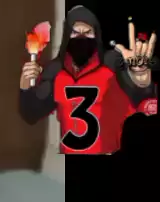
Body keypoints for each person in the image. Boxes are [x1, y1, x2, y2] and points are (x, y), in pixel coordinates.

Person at [19, 6, 157, 155]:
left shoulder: (112, 63)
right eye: (75, 32)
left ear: (96, 35)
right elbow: (31, 114)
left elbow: (143, 104)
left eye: (88, 32)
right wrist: (25, 86)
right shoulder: (56, 70)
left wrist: (141, 81)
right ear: (67, 36)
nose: (81, 37)